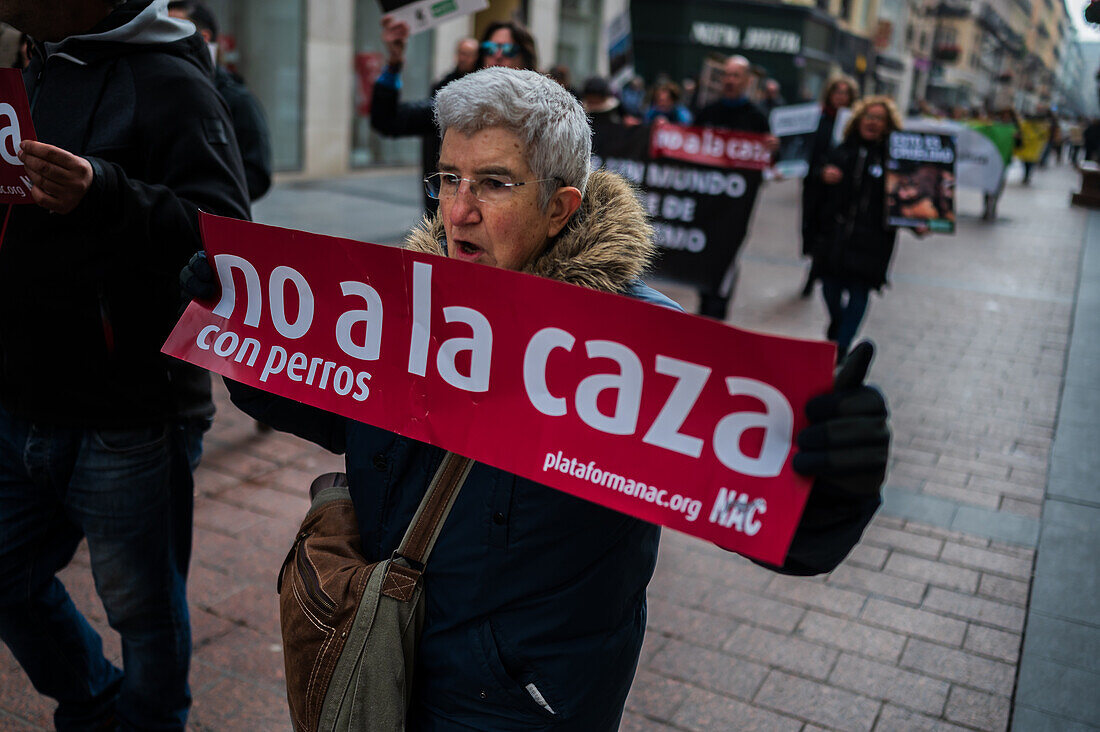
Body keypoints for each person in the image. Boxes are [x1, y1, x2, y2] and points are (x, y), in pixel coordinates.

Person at [183, 67, 887, 730]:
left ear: (560, 207)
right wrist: (241, 322)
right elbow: (326, 404)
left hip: (523, 702)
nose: (458, 211)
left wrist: (835, 480)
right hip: (381, 656)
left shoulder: (640, 348)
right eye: (448, 178)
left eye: (493, 183)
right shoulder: (404, 304)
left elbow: (785, 531)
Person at [0, 0, 249, 730]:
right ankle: (95, 702)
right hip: (18, 403)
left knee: (142, 611)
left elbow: (227, 242)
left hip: (130, 417)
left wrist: (102, 192)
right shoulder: (31, 68)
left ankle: (149, 717)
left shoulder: (171, 82)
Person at [370, 16, 537, 214]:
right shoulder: (455, 106)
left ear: (525, 58)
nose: (498, 56)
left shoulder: (540, 115)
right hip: (449, 226)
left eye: (508, 50)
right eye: (490, 49)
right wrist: (394, 63)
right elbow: (387, 120)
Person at [813, 96, 915, 360]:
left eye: (879, 118)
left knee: (859, 292)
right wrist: (823, 175)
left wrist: (917, 223)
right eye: (868, 116)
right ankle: (838, 325)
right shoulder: (842, 150)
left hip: (873, 240)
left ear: (887, 125)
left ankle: (842, 348)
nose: (872, 122)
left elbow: (908, 199)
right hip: (836, 235)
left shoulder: (896, 161)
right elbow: (813, 180)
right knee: (829, 288)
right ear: (859, 120)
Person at [693, 54, 779, 320]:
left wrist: (773, 150)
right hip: (706, 199)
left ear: (747, 81)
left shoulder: (757, 118)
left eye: (735, 76)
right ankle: (704, 304)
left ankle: (717, 312)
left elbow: (771, 161)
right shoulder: (708, 113)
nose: (729, 80)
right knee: (703, 252)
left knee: (727, 255)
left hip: (736, 206)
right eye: (726, 75)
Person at [168, 0, 272, 202]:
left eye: (173, 28)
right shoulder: (164, 89)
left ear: (203, 38)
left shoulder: (238, 99)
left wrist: (208, 199)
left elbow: (257, 175)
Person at [800, 75, 858, 298]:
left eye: (845, 93)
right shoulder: (818, 119)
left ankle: (816, 274)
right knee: (812, 228)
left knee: (828, 234)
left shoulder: (854, 124)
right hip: (816, 186)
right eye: (837, 92)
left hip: (840, 191)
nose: (840, 97)